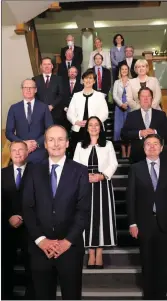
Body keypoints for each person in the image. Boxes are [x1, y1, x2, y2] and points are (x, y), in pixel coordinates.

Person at [22, 125, 90, 300]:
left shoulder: (80, 171)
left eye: (60, 139)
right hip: (40, 249)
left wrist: (67, 242)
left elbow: (83, 210)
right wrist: (41, 240)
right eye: (51, 139)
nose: (56, 144)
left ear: (67, 143)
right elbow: (27, 208)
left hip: (70, 248)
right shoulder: (33, 170)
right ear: (45, 144)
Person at [73, 117, 118, 268]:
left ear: (101, 127)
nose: (93, 127)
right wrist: (84, 177)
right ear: (87, 128)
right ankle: (90, 253)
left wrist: (102, 175)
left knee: (101, 218)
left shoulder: (108, 144)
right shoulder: (80, 146)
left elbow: (114, 163)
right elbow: (74, 164)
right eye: (91, 125)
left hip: (103, 185)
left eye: (96, 125)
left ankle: (99, 253)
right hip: (84, 186)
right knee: (87, 217)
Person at [127, 134, 167, 300]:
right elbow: (130, 198)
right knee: (148, 261)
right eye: (148, 144)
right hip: (144, 223)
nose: (152, 147)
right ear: (143, 148)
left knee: (164, 262)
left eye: (155, 144)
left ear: (161, 147)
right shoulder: (136, 168)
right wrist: (132, 223)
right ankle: (150, 296)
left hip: (165, 223)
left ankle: (163, 293)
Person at [1, 141, 34, 300]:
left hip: (30, 227)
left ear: (27, 152)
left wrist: (21, 215)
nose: (18, 153)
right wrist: (9, 216)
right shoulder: (2, 174)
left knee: (31, 266)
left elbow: (40, 199)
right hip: (6, 227)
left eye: (21, 150)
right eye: (14, 150)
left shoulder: (37, 173)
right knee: (5, 265)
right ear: (10, 153)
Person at [6, 79, 53, 163]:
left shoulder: (44, 107)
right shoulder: (14, 108)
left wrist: (37, 143)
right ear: (22, 90)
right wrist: (23, 143)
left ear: (35, 90)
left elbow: (50, 130)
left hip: (40, 151)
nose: (28, 90)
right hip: (20, 153)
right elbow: (9, 132)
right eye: (25, 87)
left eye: (31, 87)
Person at [67, 69, 108, 156]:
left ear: (94, 81)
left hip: (95, 129)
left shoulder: (99, 95)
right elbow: (70, 113)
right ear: (82, 80)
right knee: (77, 155)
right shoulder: (76, 95)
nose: (88, 80)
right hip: (79, 129)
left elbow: (105, 113)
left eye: (90, 78)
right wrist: (76, 121)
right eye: (86, 78)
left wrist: (93, 123)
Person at [121, 87, 167, 163]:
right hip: (138, 157)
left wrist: (155, 132)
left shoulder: (161, 114)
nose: (145, 99)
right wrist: (140, 133)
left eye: (148, 96)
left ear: (152, 99)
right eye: (143, 96)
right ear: (139, 99)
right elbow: (124, 134)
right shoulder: (131, 115)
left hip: (158, 158)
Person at [32, 57, 64, 124]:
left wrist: (52, 105)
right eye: (44, 64)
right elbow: (33, 95)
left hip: (55, 112)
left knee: (54, 133)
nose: (47, 66)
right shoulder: (35, 79)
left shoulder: (59, 79)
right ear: (41, 66)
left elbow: (61, 95)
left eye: (49, 64)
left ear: (52, 66)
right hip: (39, 112)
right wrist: (42, 106)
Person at [113, 64, 131, 158]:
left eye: (126, 69)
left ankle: (129, 151)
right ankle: (123, 151)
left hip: (130, 107)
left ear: (128, 70)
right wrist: (121, 104)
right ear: (120, 71)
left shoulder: (132, 82)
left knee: (130, 129)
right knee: (120, 129)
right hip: (119, 108)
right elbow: (114, 95)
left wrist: (127, 103)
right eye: (122, 69)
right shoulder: (117, 82)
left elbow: (134, 94)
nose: (124, 70)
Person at [63, 67, 83, 133]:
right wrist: (65, 108)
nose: (72, 73)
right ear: (68, 73)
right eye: (70, 72)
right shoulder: (62, 84)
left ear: (77, 74)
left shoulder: (81, 86)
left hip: (76, 112)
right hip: (64, 111)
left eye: (74, 72)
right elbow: (60, 97)